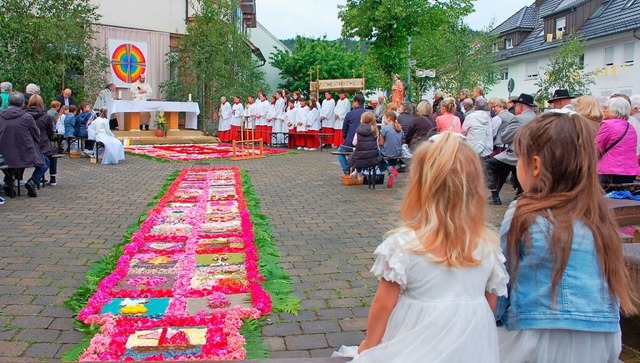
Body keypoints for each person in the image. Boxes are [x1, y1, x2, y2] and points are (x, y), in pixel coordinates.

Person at [334, 131, 508, 362]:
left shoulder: (404, 245)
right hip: (471, 347)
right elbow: (490, 301)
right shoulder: (488, 245)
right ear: (475, 188)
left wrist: (370, 345)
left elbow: (383, 304)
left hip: (415, 345)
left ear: (419, 186)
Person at [496, 112, 638, 363]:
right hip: (603, 338)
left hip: (538, 338)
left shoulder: (523, 214)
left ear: (536, 165)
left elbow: (501, 284)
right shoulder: (598, 217)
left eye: (519, 159)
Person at [485, 93, 537, 205]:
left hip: (514, 154)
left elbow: (505, 137)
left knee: (488, 164)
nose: (515, 109)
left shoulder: (518, 119)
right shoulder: (538, 118)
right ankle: (519, 193)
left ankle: (494, 195)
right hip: (531, 154)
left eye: (516, 107)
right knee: (515, 168)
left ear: (521, 107)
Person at [0, 93, 45, 198]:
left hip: (3, 153)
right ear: (22, 105)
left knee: (9, 163)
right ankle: (32, 181)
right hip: (24, 153)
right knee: (44, 162)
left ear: (7, 103)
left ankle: (9, 181)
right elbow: (36, 134)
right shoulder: (26, 117)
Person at [596, 96, 638, 187]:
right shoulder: (631, 127)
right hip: (630, 173)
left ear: (614, 110)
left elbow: (596, 149)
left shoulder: (607, 124)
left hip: (609, 172)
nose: (604, 110)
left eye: (606, 107)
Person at [26, 95, 58, 187]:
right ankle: (53, 178)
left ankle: (19, 178)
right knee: (53, 152)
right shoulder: (46, 117)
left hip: (27, 145)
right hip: (42, 145)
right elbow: (51, 133)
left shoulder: (24, 115)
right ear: (41, 104)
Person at [348, 112, 383, 180]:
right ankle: (359, 173)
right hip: (372, 157)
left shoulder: (358, 130)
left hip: (360, 156)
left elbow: (354, 143)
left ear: (363, 120)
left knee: (357, 155)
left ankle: (358, 172)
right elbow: (377, 143)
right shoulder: (375, 130)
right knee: (376, 156)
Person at [337, 94, 366, 175]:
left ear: (356, 102)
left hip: (350, 144)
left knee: (340, 152)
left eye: (353, 102)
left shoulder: (350, 114)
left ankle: (346, 171)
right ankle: (361, 171)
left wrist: (346, 138)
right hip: (366, 145)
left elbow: (344, 130)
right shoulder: (368, 114)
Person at [378, 111, 403, 188]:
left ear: (388, 118)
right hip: (398, 152)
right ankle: (391, 172)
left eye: (384, 118)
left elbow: (381, 143)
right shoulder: (400, 129)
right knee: (392, 159)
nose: (383, 120)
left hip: (387, 152)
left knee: (377, 156)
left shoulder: (384, 128)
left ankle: (388, 168)